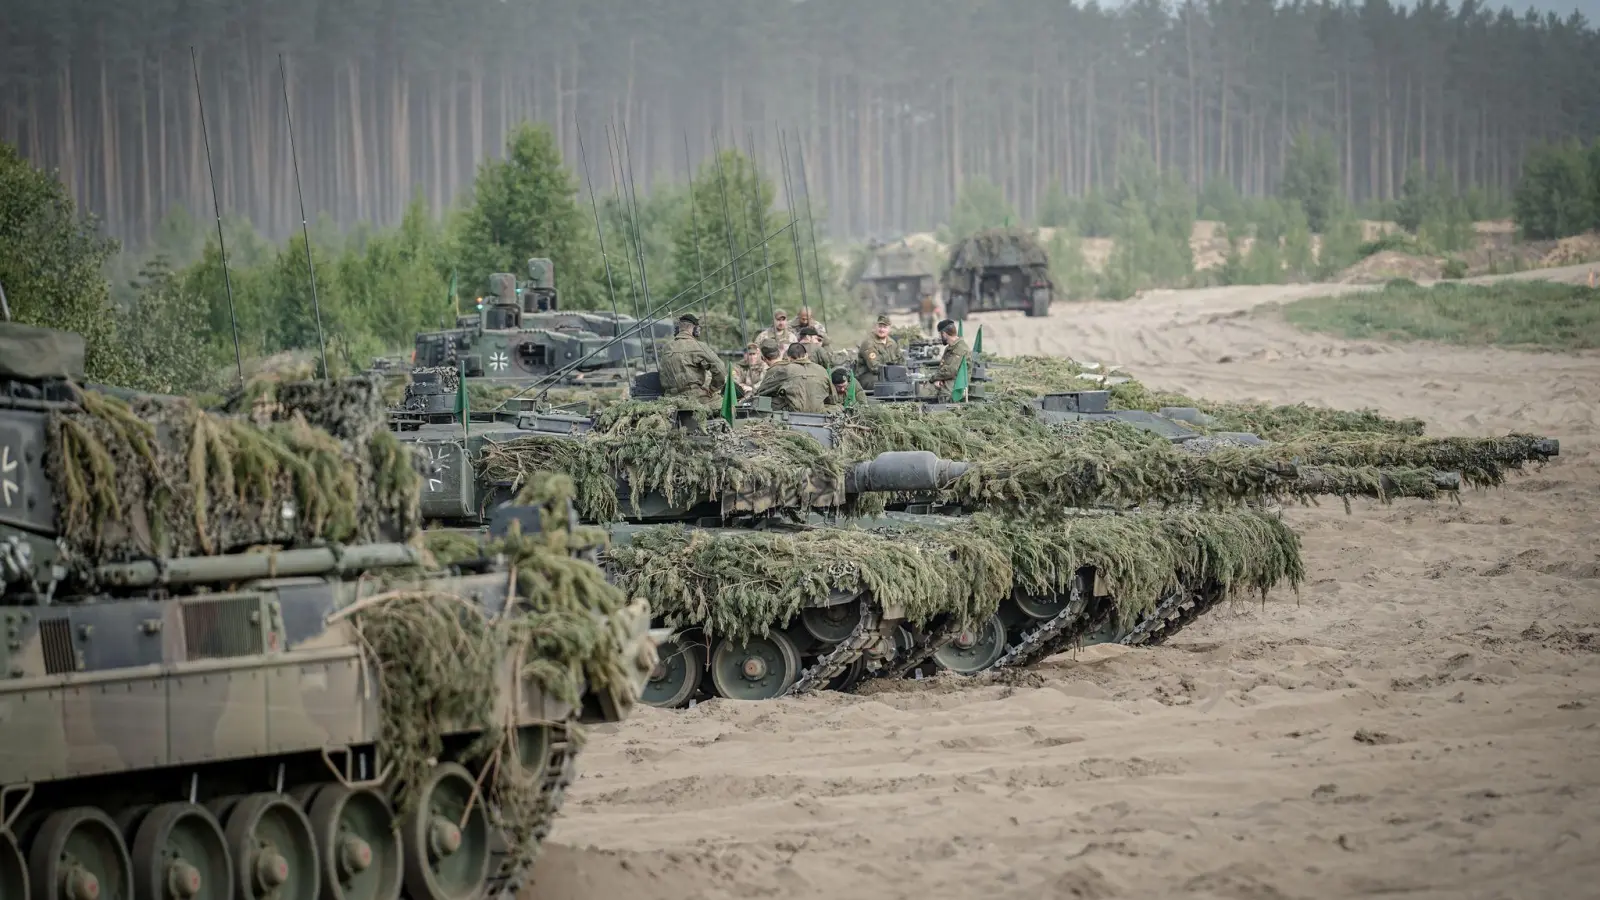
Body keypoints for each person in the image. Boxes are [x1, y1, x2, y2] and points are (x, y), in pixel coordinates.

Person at [658, 313, 726, 400]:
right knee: (725, 404)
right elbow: (720, 368)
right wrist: (712, 389)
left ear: (678, 329)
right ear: (695, 329)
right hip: (693, 397)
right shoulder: (698, 346)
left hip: (670, 397)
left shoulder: (666, 347)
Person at [756, 342, 828, 413]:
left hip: (794, 414)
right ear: (806, 355)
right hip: (819, 413)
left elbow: (762, 391)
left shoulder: (786, 370)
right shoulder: (822, 370)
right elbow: (833, 398)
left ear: (789, 358)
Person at [854, 314, 905, 392]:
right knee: (885, 385)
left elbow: (900, 360)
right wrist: (893, 372)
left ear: (889, 329)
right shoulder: (869, 343)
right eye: (880, 326)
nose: (882, 329)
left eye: (885, 327)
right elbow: (874, 367)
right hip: (869, 376)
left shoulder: (892, 343)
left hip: (888, 375)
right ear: (875, 327)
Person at [930, 318, 970, 399]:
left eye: (940, 334)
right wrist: (939, 380)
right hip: (947, 384)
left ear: (944, 334)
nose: (940, 337)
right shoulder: (950, 348)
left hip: (954, 389)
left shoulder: (960, 349)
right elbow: (943, 367)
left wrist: (933, 379)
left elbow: (950, 371)